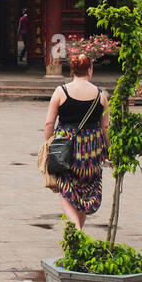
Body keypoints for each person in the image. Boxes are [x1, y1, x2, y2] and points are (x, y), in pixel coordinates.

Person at [43, 53, 110, 228]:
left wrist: (49, 143)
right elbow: (105, 127)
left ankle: (77, 229)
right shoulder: (100, 95)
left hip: (67, 145)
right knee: (85, 188)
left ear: (72, 70)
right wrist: (109, 149)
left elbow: (49, 122)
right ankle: (78, 231)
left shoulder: (61, 91)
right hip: (92, 147)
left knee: (66, 188)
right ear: (90, 70)